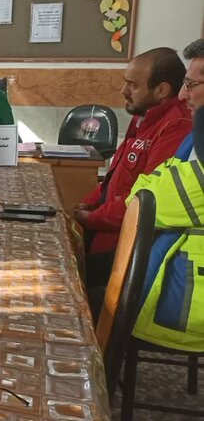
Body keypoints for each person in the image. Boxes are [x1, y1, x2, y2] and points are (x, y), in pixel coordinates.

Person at [71, 47, 190, 297]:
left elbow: (145, 199)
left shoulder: (176, 126)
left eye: (133, 85)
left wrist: (91, 218)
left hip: (125, 247)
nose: (123, 91)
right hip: (103, 232)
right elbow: (115, 176)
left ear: (162, 90)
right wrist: (87, 203)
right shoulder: (142, 116)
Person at [126, 106, 204, 352]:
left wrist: (155, 184)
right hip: (173, 278)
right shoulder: (192, 139)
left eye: (193, 87)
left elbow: (143, 203)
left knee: (82, 305)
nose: (183, 95)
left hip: (186, 308)